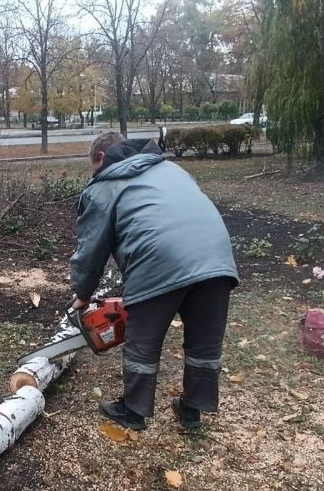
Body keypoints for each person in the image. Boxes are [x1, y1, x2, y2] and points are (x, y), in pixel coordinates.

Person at [70, 131, 239, 432]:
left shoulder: (104, 185)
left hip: (160, 261)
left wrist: (82, 294)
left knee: (143, 342)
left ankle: (133, 411)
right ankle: (192, 410)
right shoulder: (171, 168)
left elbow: (91, 250)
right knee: (204, 341)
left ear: (99, 159)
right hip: (217, 258)